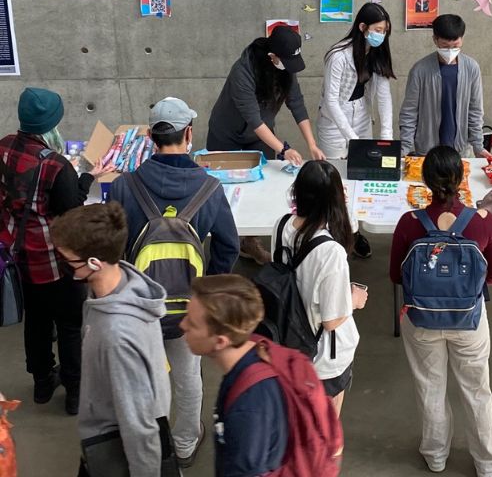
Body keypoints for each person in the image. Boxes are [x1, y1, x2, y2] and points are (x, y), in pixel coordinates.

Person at [108, 96, 239, 467]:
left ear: (150, 137)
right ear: (189, 134)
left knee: (145, 378)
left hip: (138, 308)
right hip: (189, 308)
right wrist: (205, 289)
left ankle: (149, 448)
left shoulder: (123, 187)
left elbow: (111, 251)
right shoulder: (210, 189)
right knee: (187, 376)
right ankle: (184, 445)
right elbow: (229, 246)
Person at [389, 146, 492, 476]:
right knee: (476, 389)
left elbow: (395, 275)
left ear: (425, 180)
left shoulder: (409, 223)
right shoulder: (483, 223)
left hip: (421, 320)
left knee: (429, 386)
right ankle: (488, 461)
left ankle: (436, 455)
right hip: (469, 320)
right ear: (462, 178)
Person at [0, 87, 111, 415]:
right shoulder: (56, 165)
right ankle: (75, 393)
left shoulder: (4, 147)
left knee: (35, 321)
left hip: (17, 260)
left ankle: (42, 385)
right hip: (54, 263)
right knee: (70, 325)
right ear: (51, 125)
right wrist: (89, 175)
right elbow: (71, 209)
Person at [50, 203, 171, 477]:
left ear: (93, 263)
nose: (65, 266)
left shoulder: (116, 334)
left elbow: (139, 424)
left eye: (67, 260)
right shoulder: (122, 283)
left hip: (115, 451)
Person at [207, 25, 325, 265]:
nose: (291, 68)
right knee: (225, 194)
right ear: (272, 57)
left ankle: (249, 242)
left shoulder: (286, 65)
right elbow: (254, 120)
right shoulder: (243, 71)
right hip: (227, 135)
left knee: (262, 184)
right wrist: (284, 149)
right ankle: (225, 247)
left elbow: (297, 104)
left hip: (260, 135)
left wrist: (312, 144)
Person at [273, 160, 367, 415]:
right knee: (325, 433)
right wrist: (354, 299)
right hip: (324, 358)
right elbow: (332, 320)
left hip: (288, 339)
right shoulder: (330, 252)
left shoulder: (282, 226)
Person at [180, 274, 287, 477]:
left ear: (220, 341)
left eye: (192, 323)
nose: (182, 325)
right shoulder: (249, 361)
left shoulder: (248, 408)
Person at [317, 2, 395, 258]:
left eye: (384, 30)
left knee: (362, 175)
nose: (381, 35)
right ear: (362, 27)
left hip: (361, 114)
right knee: (337, 180)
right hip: (334, 121)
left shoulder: (378, 52)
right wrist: (354, 141)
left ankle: (355, 232)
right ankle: (336, 233)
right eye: (377, 29)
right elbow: (330, 101)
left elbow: (383, 98)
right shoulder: (338, 55)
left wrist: (386, 140)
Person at [399, 14, 489, 158]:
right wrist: (405, 147)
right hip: (427, 149)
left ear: (462, 39)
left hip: (460, 149)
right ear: (435, 40)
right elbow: (409, 112)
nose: (450, 50)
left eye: (455, 46)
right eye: (445, 46)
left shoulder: (471, 68)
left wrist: (478, 146)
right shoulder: (420, 69)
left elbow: (475, 110)